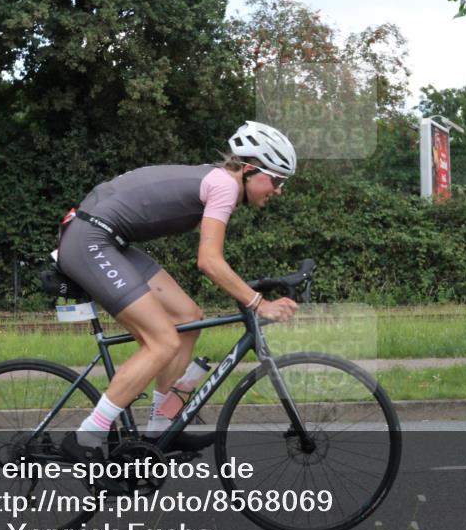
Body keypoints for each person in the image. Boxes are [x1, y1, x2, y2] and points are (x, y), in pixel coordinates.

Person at [56, 121, 300, 462]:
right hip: (92, 239)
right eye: (275, 180)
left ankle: (159, 428)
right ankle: (87, 436)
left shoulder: (216, 180)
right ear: (248, 170)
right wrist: (259, 304)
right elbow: (210, 261)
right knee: (164, 341)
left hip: (108, 238)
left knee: (188, 318)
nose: (278, 190)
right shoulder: (224, 186)